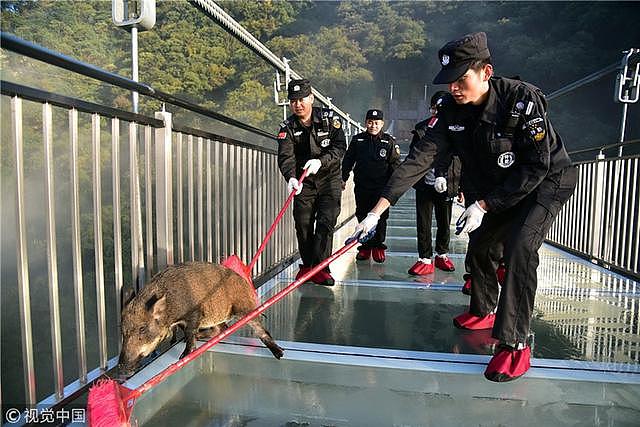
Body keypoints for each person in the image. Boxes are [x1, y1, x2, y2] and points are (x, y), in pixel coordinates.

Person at [350, 32, 577, 382]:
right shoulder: (451, 111)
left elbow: (536, 165)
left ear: (486, 71)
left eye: (461, 79)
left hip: (546, 181)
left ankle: (515, 343)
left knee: (520, 248)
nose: (454, 88)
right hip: (498, 186)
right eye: (448, 81)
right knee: (483, 245)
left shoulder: (521, 100)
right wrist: (376, 211)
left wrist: (485, 204)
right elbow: (417, 160)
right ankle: (484, 309)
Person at [278, 79, 346, 286]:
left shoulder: (329, 119)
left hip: (329, 179)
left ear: (311, 99)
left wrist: (321, 161)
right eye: (293, 100)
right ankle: (308, 266)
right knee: (303, 224)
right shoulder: (287, 127)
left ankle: (321, 268)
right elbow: (285, 157)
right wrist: (290, 177)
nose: (298, 104)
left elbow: (340, 148)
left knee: (326, 221)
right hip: (303, 182)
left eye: (302, 99)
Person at [408, 91, 462, 275]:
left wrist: (460, 185)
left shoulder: (458, 128)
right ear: (431, 109)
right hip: (425, 182)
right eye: (435, 108)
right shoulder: (421, 128)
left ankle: (442, 254)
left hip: (447, 183)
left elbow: (462, 158)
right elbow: (413, 156)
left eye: (442, 109)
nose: (437, 112)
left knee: (444, 222)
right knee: (423, 222)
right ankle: (424, 258)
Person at [341, 109, 401, 263]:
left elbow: (395, 165)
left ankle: (378, 247)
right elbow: (348, 159)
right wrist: (344, 177)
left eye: (376, 123)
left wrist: (395, 186)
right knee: (361, 214)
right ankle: (365, 247)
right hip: (362, 185)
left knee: (380, 217)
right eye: (370, 122)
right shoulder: (357, 140)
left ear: (382, 124)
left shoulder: (389, 142)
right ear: (365, 122)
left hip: (382, 187)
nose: (373, 125)